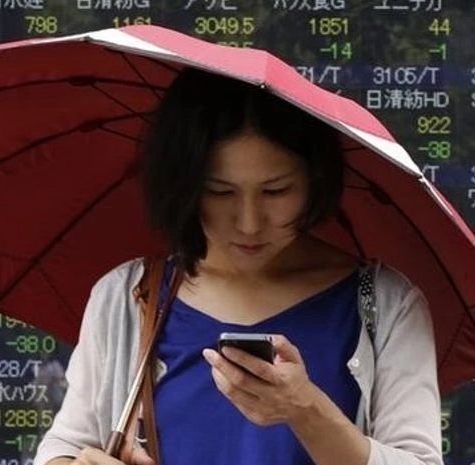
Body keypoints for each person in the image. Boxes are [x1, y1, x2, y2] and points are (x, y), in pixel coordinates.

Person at [34, 68, 442, 465]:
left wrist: (307, 410)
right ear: (185, 185)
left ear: (316, 181)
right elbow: (65, 445)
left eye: (276, 190)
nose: (248, 222)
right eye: (220, 192)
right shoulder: (129, 295)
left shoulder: (384, 304)